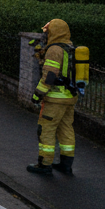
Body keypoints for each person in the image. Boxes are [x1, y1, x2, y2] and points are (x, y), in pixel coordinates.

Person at [28, 18, 79, 175]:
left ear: (54, 32)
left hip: (55, 98)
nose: (46, 35)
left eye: (48, 32)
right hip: (70, 97)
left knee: (46, 129)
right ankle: (66, 164)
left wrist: (37, 95)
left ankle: (44, 164)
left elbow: (50, 76)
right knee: (66, 129)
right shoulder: (71, 48)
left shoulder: (54, 50)